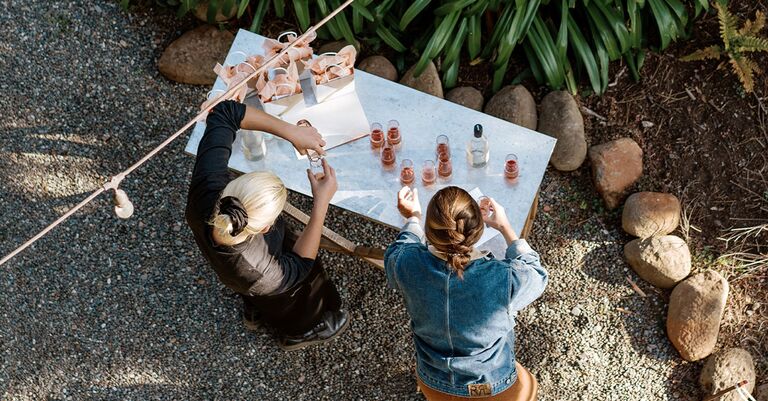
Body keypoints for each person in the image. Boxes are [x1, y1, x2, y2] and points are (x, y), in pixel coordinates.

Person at [186, 100, 348, 351]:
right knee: (292, 301)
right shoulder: (264, 272)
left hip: (234, 274)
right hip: (263, 286)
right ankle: (302, 331)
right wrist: (321, 205)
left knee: (251, 291)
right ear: (265, 228)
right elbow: (302, 264)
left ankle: (254, 309)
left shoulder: (206, 190)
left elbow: (225, 112)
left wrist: (292, 132)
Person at [384, 186, 548, 400]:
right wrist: (505, 227)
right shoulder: (504, 278)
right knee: (529, 385)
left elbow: (401, 247)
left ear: (429, 233)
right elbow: (537, 274)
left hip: (434, 384)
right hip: (492, 387)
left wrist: (413, 217)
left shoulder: (404, 264)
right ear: (478, 230)